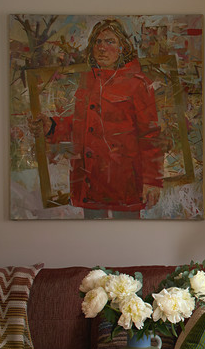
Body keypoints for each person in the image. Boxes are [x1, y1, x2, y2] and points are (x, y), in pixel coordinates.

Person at [37, 18, 163, 218]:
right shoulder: (88, 79)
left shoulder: (138, 83)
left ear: (122, 47)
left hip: (124, 185)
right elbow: (82, 123)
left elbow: (150, 135)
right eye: (98, 42)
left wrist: (153, 181)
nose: (102, 48)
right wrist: (52, 126)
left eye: (110, 42)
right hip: (90, 183)